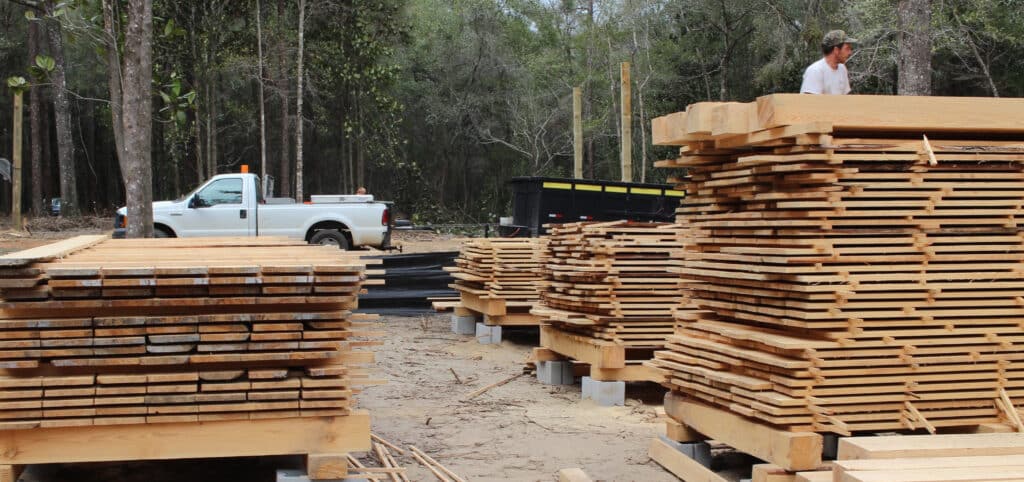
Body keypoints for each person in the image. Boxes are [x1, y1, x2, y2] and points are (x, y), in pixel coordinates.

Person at [800, 30, 857, 95]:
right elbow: (809, 102)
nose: (850, 52)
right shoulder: (816, 70)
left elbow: (845, 99)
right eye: (847, 48)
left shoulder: (842, 69)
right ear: (836, 50)